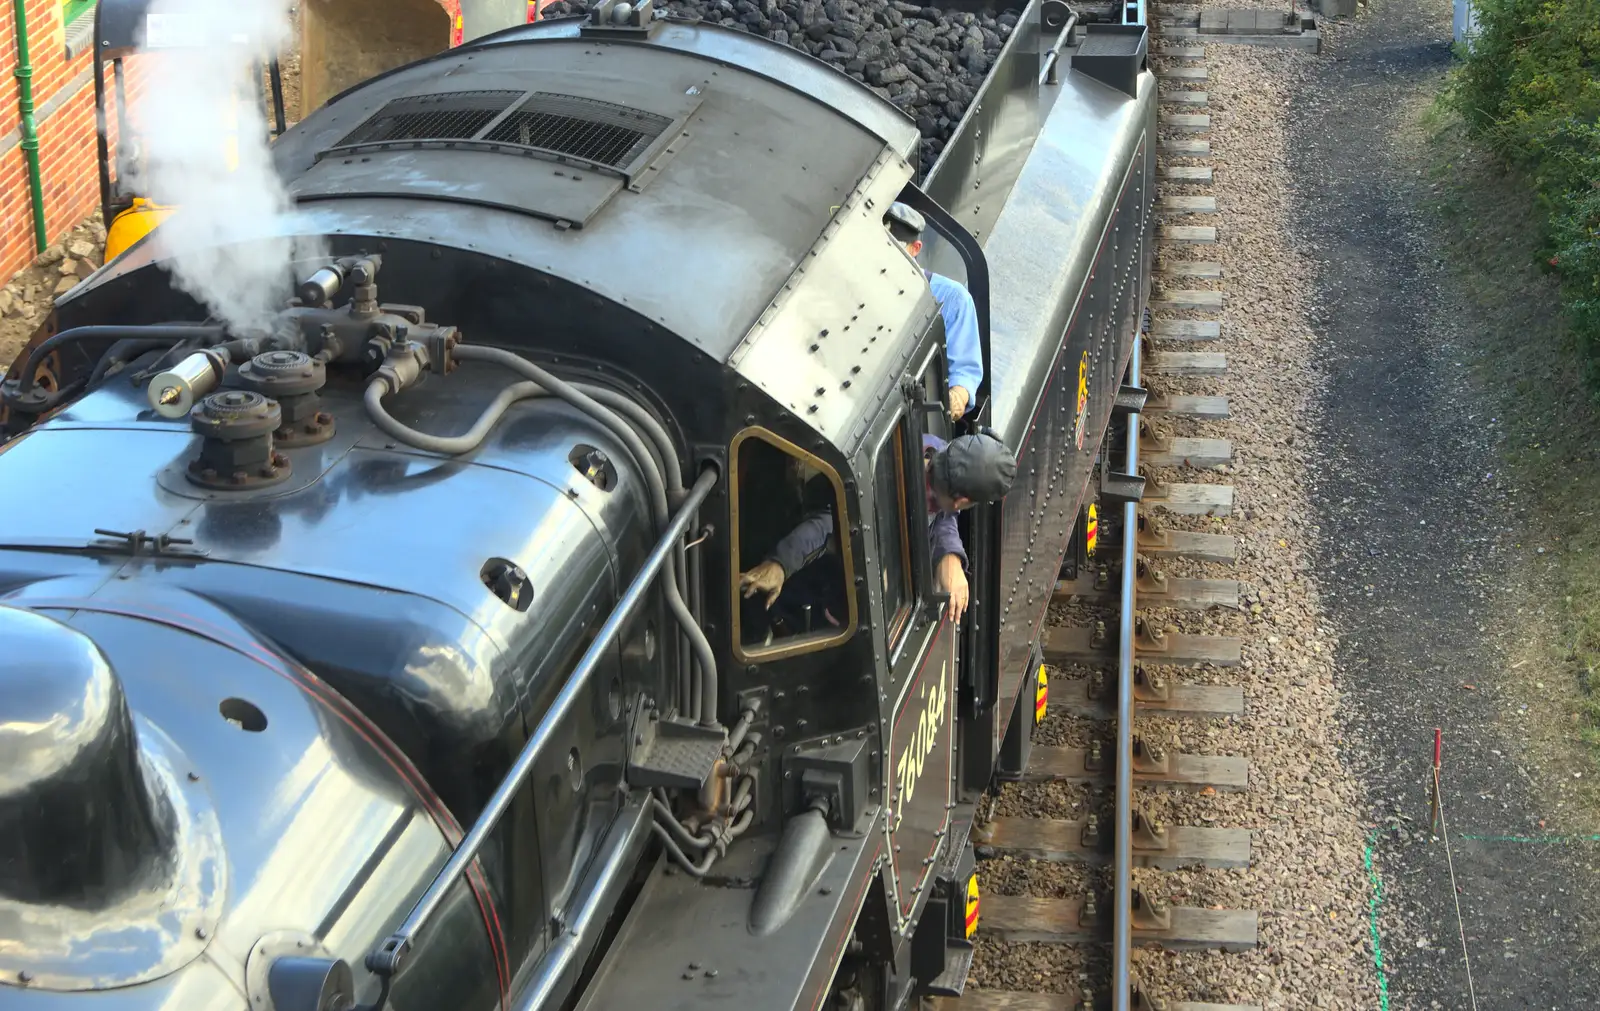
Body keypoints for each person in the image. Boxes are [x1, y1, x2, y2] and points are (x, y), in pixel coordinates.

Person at [739, 429, 1017, 632]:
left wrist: (950, 556)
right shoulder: (882, 488)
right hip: (815, 583)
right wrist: (780, 564)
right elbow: (828, 525)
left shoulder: (938, 452)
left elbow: (943, 517)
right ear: (962, 501)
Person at [884, 201, 985, 423]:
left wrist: (956, 396)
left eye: (896, 248)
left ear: (916, 249)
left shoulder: (953, 298)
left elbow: (965, 372)